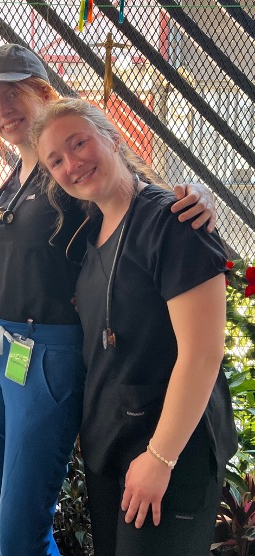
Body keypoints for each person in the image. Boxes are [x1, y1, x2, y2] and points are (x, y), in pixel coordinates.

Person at [0, 43, 218, 556]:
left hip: (43, 351)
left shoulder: (79, 195)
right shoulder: (15, 177)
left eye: (14, 93)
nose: (2, 109)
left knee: (20, 523)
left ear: (44, 92)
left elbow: (135, 196)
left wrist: (195, 196)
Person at [32, 97, 238, 556]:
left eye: (79, 143)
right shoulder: (89, 232)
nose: (72, 164)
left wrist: (160, 459)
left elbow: (203, 354)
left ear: (113, 138)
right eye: (56, 161)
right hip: (114, 451)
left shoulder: (175, 222)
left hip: (170, 453)